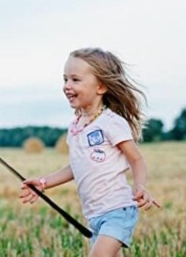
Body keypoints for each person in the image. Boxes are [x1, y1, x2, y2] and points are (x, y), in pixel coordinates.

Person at [19, 48, 160, 257]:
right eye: (65, 79)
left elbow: (136, 159)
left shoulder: (112, 123)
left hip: (118, 211)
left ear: (101, 86)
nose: (67, 86)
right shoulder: (76, 127)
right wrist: (43, 183)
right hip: (94, 215)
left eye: (75, 80)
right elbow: (77, 166)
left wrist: (140, 187)